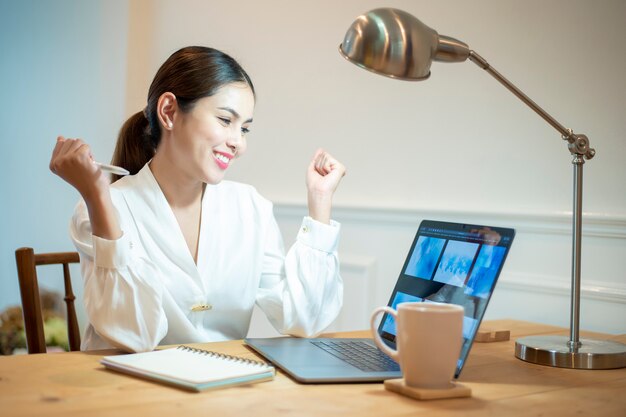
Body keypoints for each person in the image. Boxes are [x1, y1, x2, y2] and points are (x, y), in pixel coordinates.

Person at [49, 46, 346, 353]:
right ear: (169, 112)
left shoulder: (251, 207)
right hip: (130, 392)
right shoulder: (99, 209)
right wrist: (99, 197)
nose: (238, 142)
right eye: (224, 120)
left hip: (224, 390)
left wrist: (320, 201)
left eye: (244, 128)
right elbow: (132, 334)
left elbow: (303, 319)